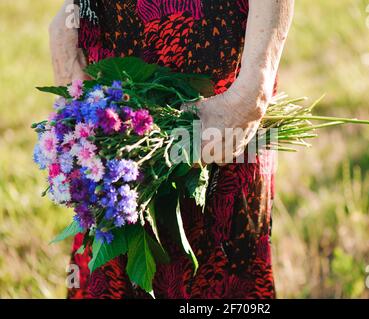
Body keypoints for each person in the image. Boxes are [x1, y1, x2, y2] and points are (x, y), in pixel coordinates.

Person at [49, 0, 294, 299]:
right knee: (114, 229)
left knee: (216, 254)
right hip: (110, 45)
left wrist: (255, 84)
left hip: (211, 64)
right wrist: (69, 12)